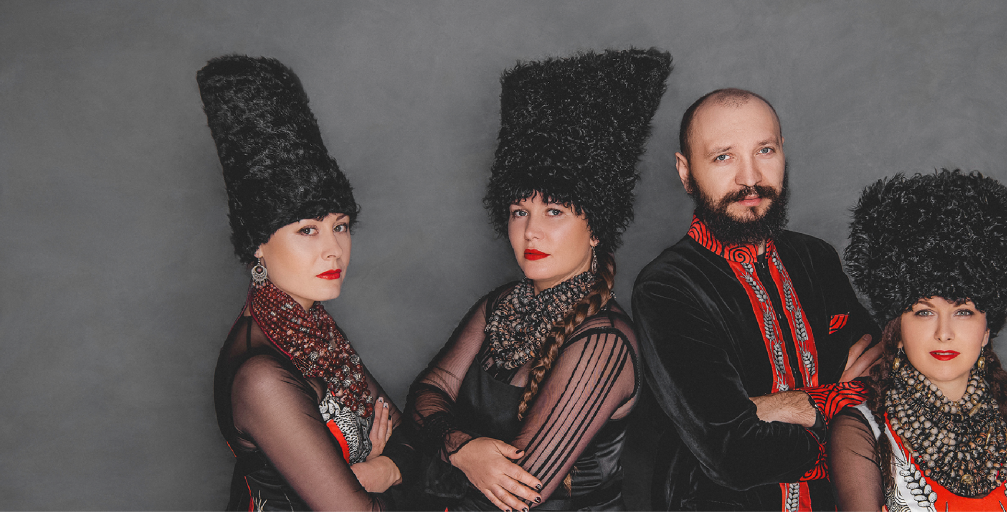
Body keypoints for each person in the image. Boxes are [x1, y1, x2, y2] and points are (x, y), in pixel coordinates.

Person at [406, 49, 672, 512]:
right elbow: (425, 393)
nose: (531, 231)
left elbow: (517, 494)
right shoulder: (498, 306)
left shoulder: (605, 343)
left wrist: (424, 455)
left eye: (554, 211)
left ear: (596, 228)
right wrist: (463, 450)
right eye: (519, 211)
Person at [631, 88, 883, 511]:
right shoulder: (667, 287)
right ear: (686, 172)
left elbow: (886, 391)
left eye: (764, 150)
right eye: (723, 157)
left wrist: (767, 408)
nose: (749, 178)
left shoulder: (817, 258)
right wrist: (834, 407)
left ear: (783, 151)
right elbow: (733, 453)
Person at [200, 55, 413, 511]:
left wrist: (385, 470)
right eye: (307, 230)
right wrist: (386, 472)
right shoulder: (261, 376)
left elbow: (412, 438)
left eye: (340, 226)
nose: (333, 249)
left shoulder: (311, 327)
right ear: (259, 244)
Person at [829, 169, 1007, 511]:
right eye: (924, 312)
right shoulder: (862, 432)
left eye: (963, 312)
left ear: (987, 330)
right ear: (898, 329)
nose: (944, 332)